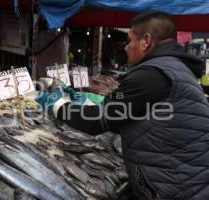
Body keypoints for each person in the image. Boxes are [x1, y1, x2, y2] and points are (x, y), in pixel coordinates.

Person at [36, 11, 209, 200]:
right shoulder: (173, 69)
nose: (126, 48)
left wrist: (58, 105)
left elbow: (97, 120)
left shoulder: (152, 74)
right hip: (185, 178)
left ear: (146, 41)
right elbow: (130, 115)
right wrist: (82, 103)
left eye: (129, 40)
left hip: (178, 187)